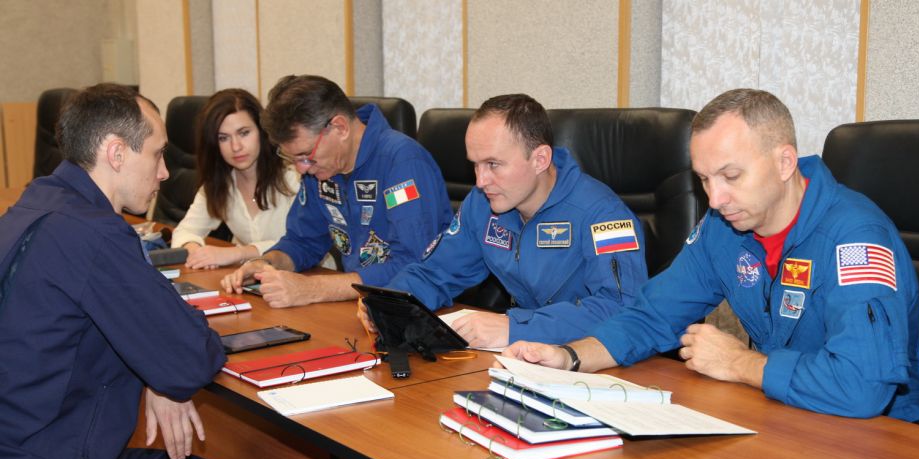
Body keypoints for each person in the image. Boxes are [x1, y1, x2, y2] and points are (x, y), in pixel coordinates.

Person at [504, 88, 919, 421]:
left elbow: (862, 387)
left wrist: (741, 363)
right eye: (705, 179)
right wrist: (571, 356)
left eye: (731, 176)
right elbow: (653, 316)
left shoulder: (855, 240)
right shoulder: (724, 228)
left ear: (784, 163)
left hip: (877, 440)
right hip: (782, 416)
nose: (715, 198)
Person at [0, 83, 227, 459]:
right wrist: (163, 372)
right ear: (117, 153)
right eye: (157, 154)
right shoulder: (93, 234)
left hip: (18, 449)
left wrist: (156, 374)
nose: (164, 172)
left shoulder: (36, 202)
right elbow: (191, 357)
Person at [358, 94, 648, 348]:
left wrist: (515, 327)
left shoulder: (604, 215)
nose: (480, 181)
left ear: (540, 159)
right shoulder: (483, 204)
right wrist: (389, 303)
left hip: (592, 361)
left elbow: (621, 309)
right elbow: (436, 272)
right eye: (475, 165)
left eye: (493, 164)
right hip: (523, 357)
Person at [221, 75, 452, 308]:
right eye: (292, 158)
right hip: (361, 304)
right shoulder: (321, 170)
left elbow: (414, 264)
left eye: (305, 155)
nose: (301, 168)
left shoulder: (403, 163)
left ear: (340, 128)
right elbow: (304, 240)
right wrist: (266, 263)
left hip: (418, 310)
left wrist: (314, 289)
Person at [171, 88, 301, 270]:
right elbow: (185, 232)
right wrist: (196, 252)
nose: (236, 146)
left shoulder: (295, 175)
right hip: (256, 278)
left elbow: (301, 243)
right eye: (223, 138)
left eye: (244, 133)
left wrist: (238, 253)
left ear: (262, 131)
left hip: (309, 274)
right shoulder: (219, 183)